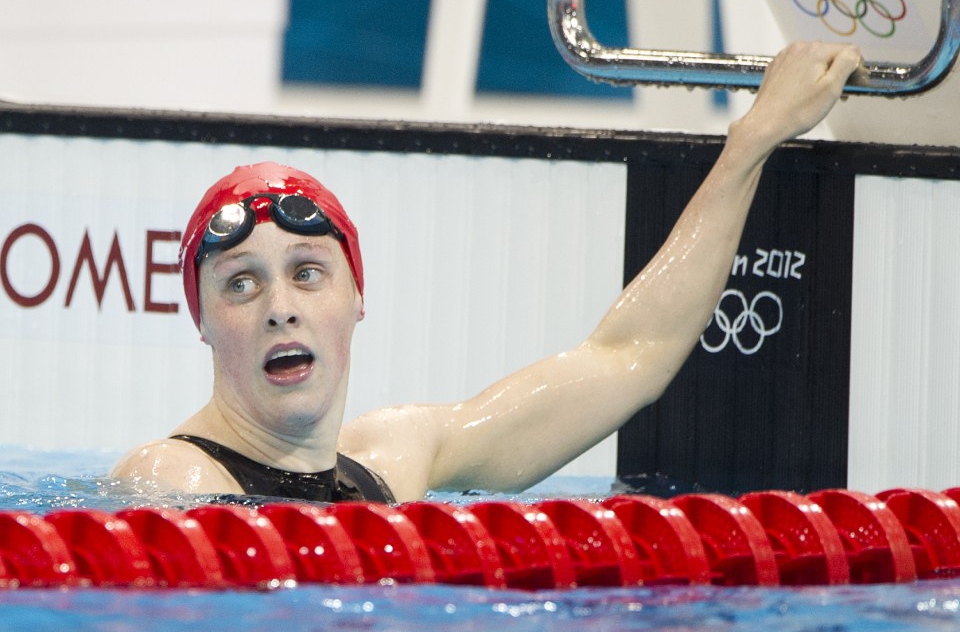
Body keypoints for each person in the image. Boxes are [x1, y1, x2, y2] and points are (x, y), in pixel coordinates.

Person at [110, 41, 863, 503]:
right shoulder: (174, 480)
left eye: (308, 273)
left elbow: (628, 357)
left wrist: (753, 139)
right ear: (201, 322)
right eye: (241, 283)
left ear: (357, 298)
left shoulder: (396, 460)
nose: (280, 306)